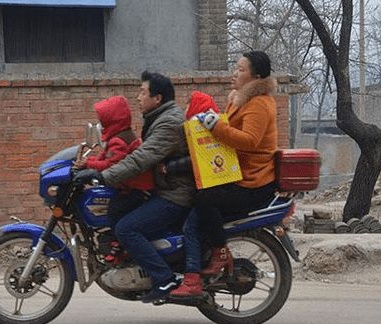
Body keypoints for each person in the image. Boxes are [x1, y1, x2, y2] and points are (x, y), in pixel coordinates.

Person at [74, 71, 195, 303]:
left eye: (142, 92)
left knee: (127, 228)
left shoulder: (168, 122)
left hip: (175, 194)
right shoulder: (159, 117)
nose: (138, 97)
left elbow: (140, 159)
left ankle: (164, 278)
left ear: (157, 98)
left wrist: (103, 176)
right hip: (166, 188)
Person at [170, 50, 278, 298]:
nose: (235, 74)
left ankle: (217, 254)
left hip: (254, 181)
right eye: (236, 68)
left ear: (256, 76)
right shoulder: (241, 99)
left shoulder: (259, 104)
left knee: (203, 199)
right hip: (237, 173)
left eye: (241, 70)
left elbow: (249, 141)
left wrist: (215, 126)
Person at [73, 95, 154, 230]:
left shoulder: (119, 141)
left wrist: (88, 164)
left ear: (111, 121)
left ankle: (116, 243)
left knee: (115, 209)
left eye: (103, 121)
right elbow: (103, 158)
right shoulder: (117, 137)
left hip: (137, 189)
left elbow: (112, 166)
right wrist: (85, 162)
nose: (101, 125)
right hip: (129, 187)